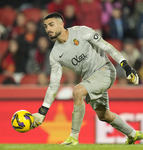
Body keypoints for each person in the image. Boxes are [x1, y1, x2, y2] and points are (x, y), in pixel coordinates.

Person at [31, 12, 142, 145]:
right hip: (89, 79)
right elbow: (54, 85)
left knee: (78, 91)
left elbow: (107, 47)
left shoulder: (82, 32)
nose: (48, 29)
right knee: (104, 115)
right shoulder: (55, 55)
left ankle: (73, 137)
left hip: (105, 70)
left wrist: (126, 66)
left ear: (61, 24)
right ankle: (133, 134)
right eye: (45, 26)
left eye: (51, 25)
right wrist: (42, 111)